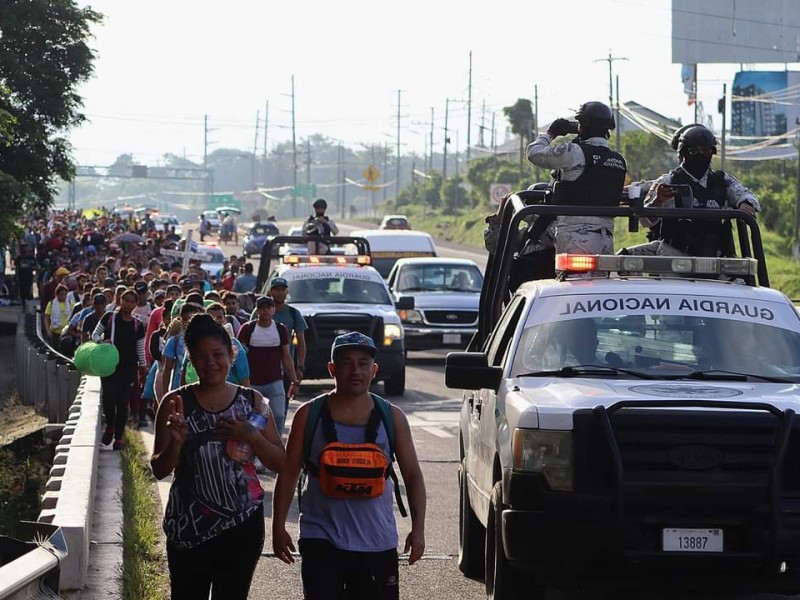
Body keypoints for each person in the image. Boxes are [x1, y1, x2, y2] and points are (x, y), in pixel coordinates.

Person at [272, 332, 426, 599]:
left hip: (377, 542)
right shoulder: (309, 415)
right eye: (346, 363)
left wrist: (419, 529)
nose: (355, 370)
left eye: (363, 363)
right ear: (332, 369)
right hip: (321, 537)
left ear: (374, 369)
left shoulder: (393, 418)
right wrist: (277, 527)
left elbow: (413, 476)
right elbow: (288, 472)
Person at [151, 314, 286, 600]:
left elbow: (280, 462)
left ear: (231, 355)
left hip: (241, 525)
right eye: (201, 357)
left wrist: (252, 435)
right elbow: (159, 469)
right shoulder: (175, 403)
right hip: (187, 528)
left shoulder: (253, 402)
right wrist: (176, 443)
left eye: (218, 354)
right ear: (190, 360)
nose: (210, 363)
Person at [619, 124, 760, 257]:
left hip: (716, 257)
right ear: (683, 153)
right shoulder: (667, 181)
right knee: (624, 258)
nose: (701, 155)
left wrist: (745, 204)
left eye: (706, 150)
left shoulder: (723, 180)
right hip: (672, 256)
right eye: (694, 150)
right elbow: (645, 220)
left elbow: (745, 194)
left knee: (743, 277)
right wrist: (658, 200)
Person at [526, 101, 627, 256]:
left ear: (583, 126)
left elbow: (534, 153)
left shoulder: (574, 153)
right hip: (606, 238)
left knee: (570, 280)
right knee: (601, 280)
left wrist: (550, 134)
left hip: (574, 235)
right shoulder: (619, 160)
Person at [92, 288, 147, 449]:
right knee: (109, 398)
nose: (128, 304)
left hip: (128, 368)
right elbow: (94, 335)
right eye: (126, 300)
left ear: (136, 304)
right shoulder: (109, 318)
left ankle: (118, 437)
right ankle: (110, 424)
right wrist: (102, 342)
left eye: (132, 301)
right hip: (110, 366)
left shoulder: (138, 325)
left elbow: (140, 349)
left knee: (123, 403)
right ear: (120, 300)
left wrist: (143, 368)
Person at [237, 295, 298, 435]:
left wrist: (294, 381)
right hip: (252, 382)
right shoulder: (247, 329)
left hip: (275, 381)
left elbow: (287, 357)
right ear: (257, 311)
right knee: (250, 418)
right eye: (262, 308)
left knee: (278, 415)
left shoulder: (280, 329)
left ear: (273, 310)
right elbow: (239, 357)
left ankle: (278, 447)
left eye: (268, 308)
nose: (265, 311)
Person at [268, 277, 308, 411]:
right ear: (271, 292)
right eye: (276, 290)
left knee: (281, 408)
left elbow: (301, 342)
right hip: (263, 366)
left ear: (287, 292)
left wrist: (300, 366)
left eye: (282, 290)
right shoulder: (261, 312)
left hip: (285, 367)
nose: (279, 293)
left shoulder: (293, 313)